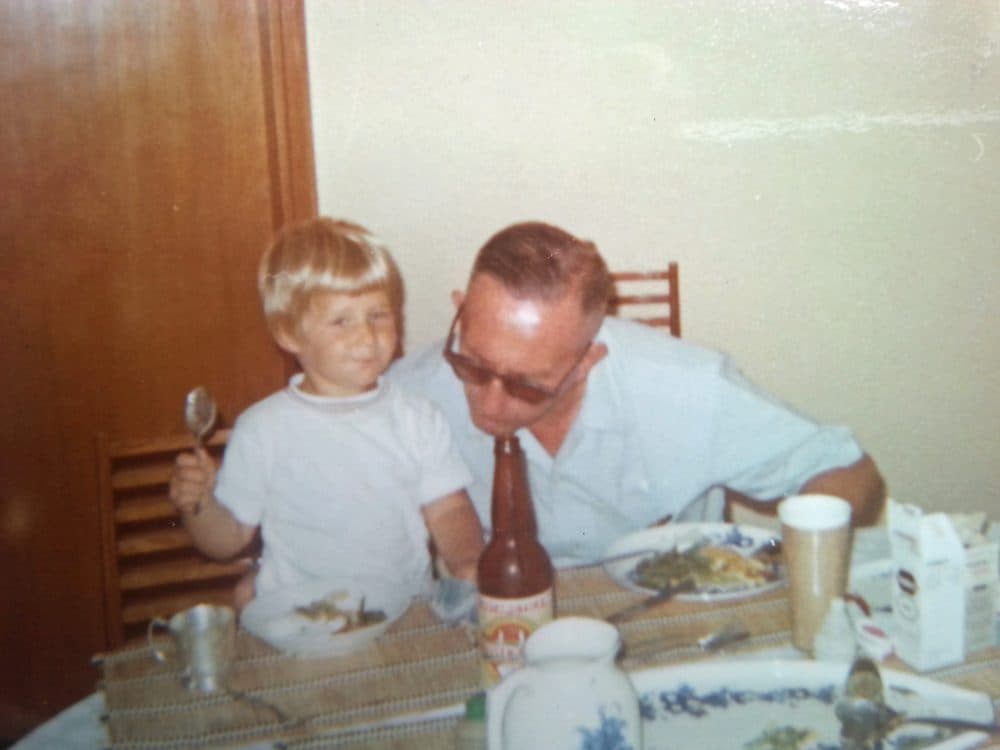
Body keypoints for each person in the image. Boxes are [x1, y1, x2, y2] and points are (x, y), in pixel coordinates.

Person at [388, 221, 886, 566]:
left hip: (662, 617)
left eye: (527, 385)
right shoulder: (402, 397)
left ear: (589, 359)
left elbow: (846, 470)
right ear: (460, 311)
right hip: (488, 626)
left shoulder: (685, 388)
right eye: (471, 365)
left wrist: (786, 560)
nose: (490, 407)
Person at [169, 217, 484, 608]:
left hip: (403, 609)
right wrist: (199, 505)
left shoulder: (416, 416)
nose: (367, 336)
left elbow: (449, 508)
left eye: (378, 315)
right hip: (299, 618)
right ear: (289, 333)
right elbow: (227, 540)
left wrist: (468, 560)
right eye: (341, 321)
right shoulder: (263, 430)